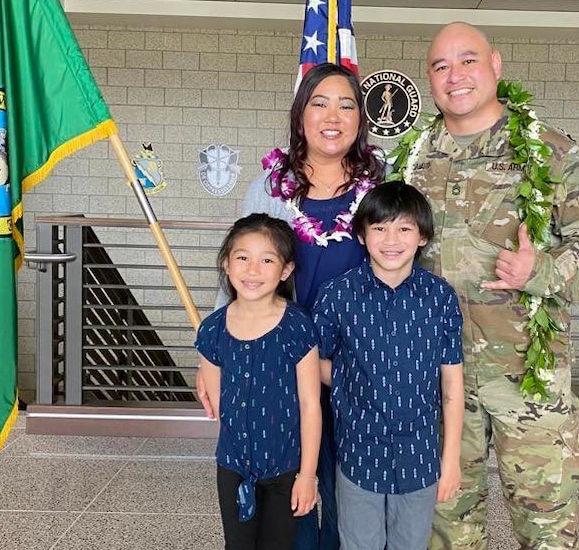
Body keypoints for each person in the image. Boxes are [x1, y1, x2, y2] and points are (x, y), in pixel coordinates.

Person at [401, 22, 579, 550]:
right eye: (440, 66)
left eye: (468, 61)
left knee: (545, 520)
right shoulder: (410, 160)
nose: (455, 76)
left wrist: (540, 271)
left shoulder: (550, 152)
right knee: (446, 522)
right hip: (438, 377)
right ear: (429, 80)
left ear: (495, 65)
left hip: (528, 376)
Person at [198, 62, 385, 550]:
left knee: (350, 490)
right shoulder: (268, 186)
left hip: (355, 365)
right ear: (300, 114)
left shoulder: (381, 186)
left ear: (360, 119)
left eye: (347, 105)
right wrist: (209, 357)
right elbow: (240, 268)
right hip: (281, 366)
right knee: (290, 491)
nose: (333, 115)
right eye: (319, 102)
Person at [312, 182, 465, 550]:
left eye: (404, 228)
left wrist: (452, 460)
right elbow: (314, 363)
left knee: (410, 544)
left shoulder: (440, 297)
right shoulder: (337, 295)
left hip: (419, 457)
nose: (391, 239)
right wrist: (352, 382)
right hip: (357, 454)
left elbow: (452, 387)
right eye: (379, 228)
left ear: (423, 236)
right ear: (362, 236)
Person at [196, 213, 322, 550]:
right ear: (226, 263)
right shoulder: (212, 330)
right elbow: (222, 406)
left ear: (285, 270)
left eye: (267, 260)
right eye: (243, 258)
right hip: (233, 466)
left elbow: (310, 405)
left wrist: (307, 475)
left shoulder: (297, 326)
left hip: (285, 468)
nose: (253, 270)